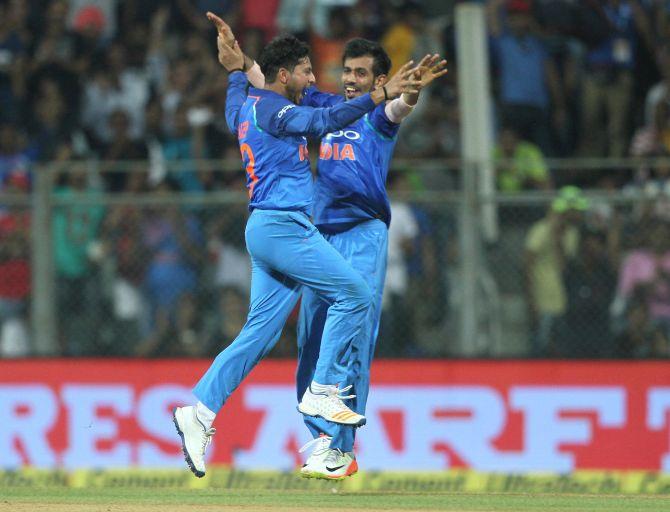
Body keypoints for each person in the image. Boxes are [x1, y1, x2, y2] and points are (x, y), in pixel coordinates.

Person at [172, 23, 421, 479]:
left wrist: (236, 69)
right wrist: (377, 95)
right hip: (286, 228)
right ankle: (323, 388)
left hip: (265, 230)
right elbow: (322, 122)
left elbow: (240, 102)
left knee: (259, 334)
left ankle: (201, 412)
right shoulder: (279, 112)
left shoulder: (245, 105)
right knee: (356, 296)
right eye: (306, 72)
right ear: (284, 76)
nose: (313, 80)